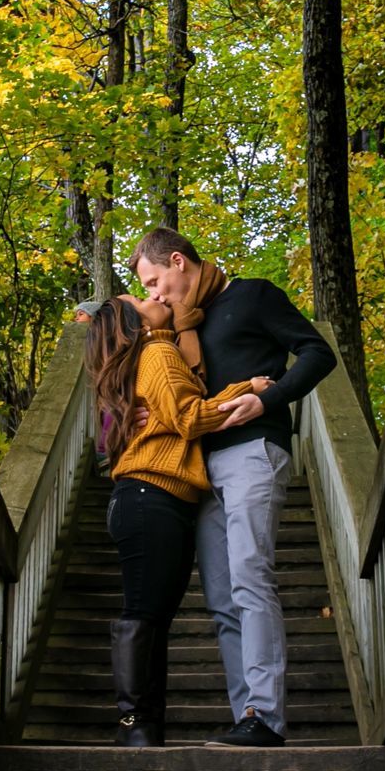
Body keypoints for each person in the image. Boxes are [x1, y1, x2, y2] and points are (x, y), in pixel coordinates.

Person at [130, 227, 336, 748]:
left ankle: (265, 715)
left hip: (253, 452)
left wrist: (270, 399)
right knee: (221, 598)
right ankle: (246, 715)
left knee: (249, 577)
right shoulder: (177, 331)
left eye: (155, 281)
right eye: (147, 289)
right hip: (198, 465)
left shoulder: (253, 296)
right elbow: (175, 396)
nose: (154, 295)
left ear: (178, 261)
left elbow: (317, 353)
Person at [84, 295, 271, 747]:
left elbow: (175, 410)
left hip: (146, 499)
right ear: (134, 322)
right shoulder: (159, 354)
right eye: (141, 298)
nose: (156, 296)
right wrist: (249, 389)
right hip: (153, 496)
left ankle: (145, 726)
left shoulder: (148, 358)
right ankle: (134, 725)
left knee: (153, 616)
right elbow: (191, 418)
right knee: (145, 614)